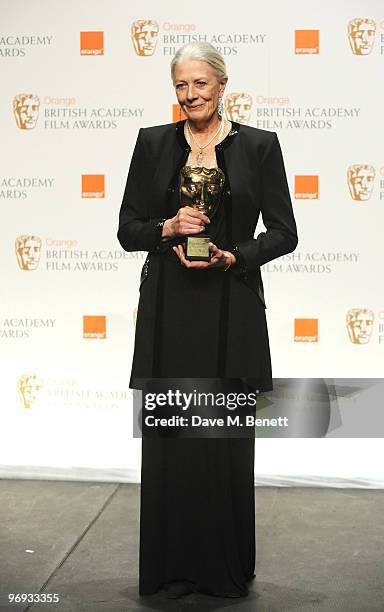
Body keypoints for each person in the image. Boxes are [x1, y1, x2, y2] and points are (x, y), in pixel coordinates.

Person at [117, 42, 298, 599]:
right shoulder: (153, 144)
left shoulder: (259, 146)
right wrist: (167, 228)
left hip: (231, 310)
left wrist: (236, 255)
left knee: (223, 442)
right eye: (181, 86)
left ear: (222, 85)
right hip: (170, 312)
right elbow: (129, 230)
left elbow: (285, 232)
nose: (191, 95)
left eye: (200, 84)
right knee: (171, 440)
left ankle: (224, 571)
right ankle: (167, 569)